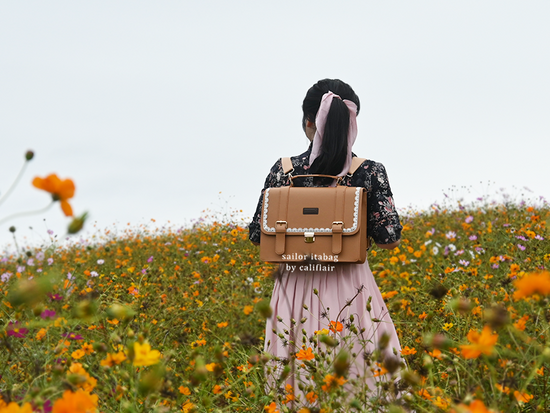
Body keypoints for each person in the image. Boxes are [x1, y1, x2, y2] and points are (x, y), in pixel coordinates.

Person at [248, 79, 404, 409]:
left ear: (308, 122)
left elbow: (257, 235)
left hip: (293, 287)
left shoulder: (284, 170)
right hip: (351, 286)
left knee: (294, 376)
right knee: (361, 373)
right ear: (353, 120)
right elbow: (389, 238)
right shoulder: (369, 171)